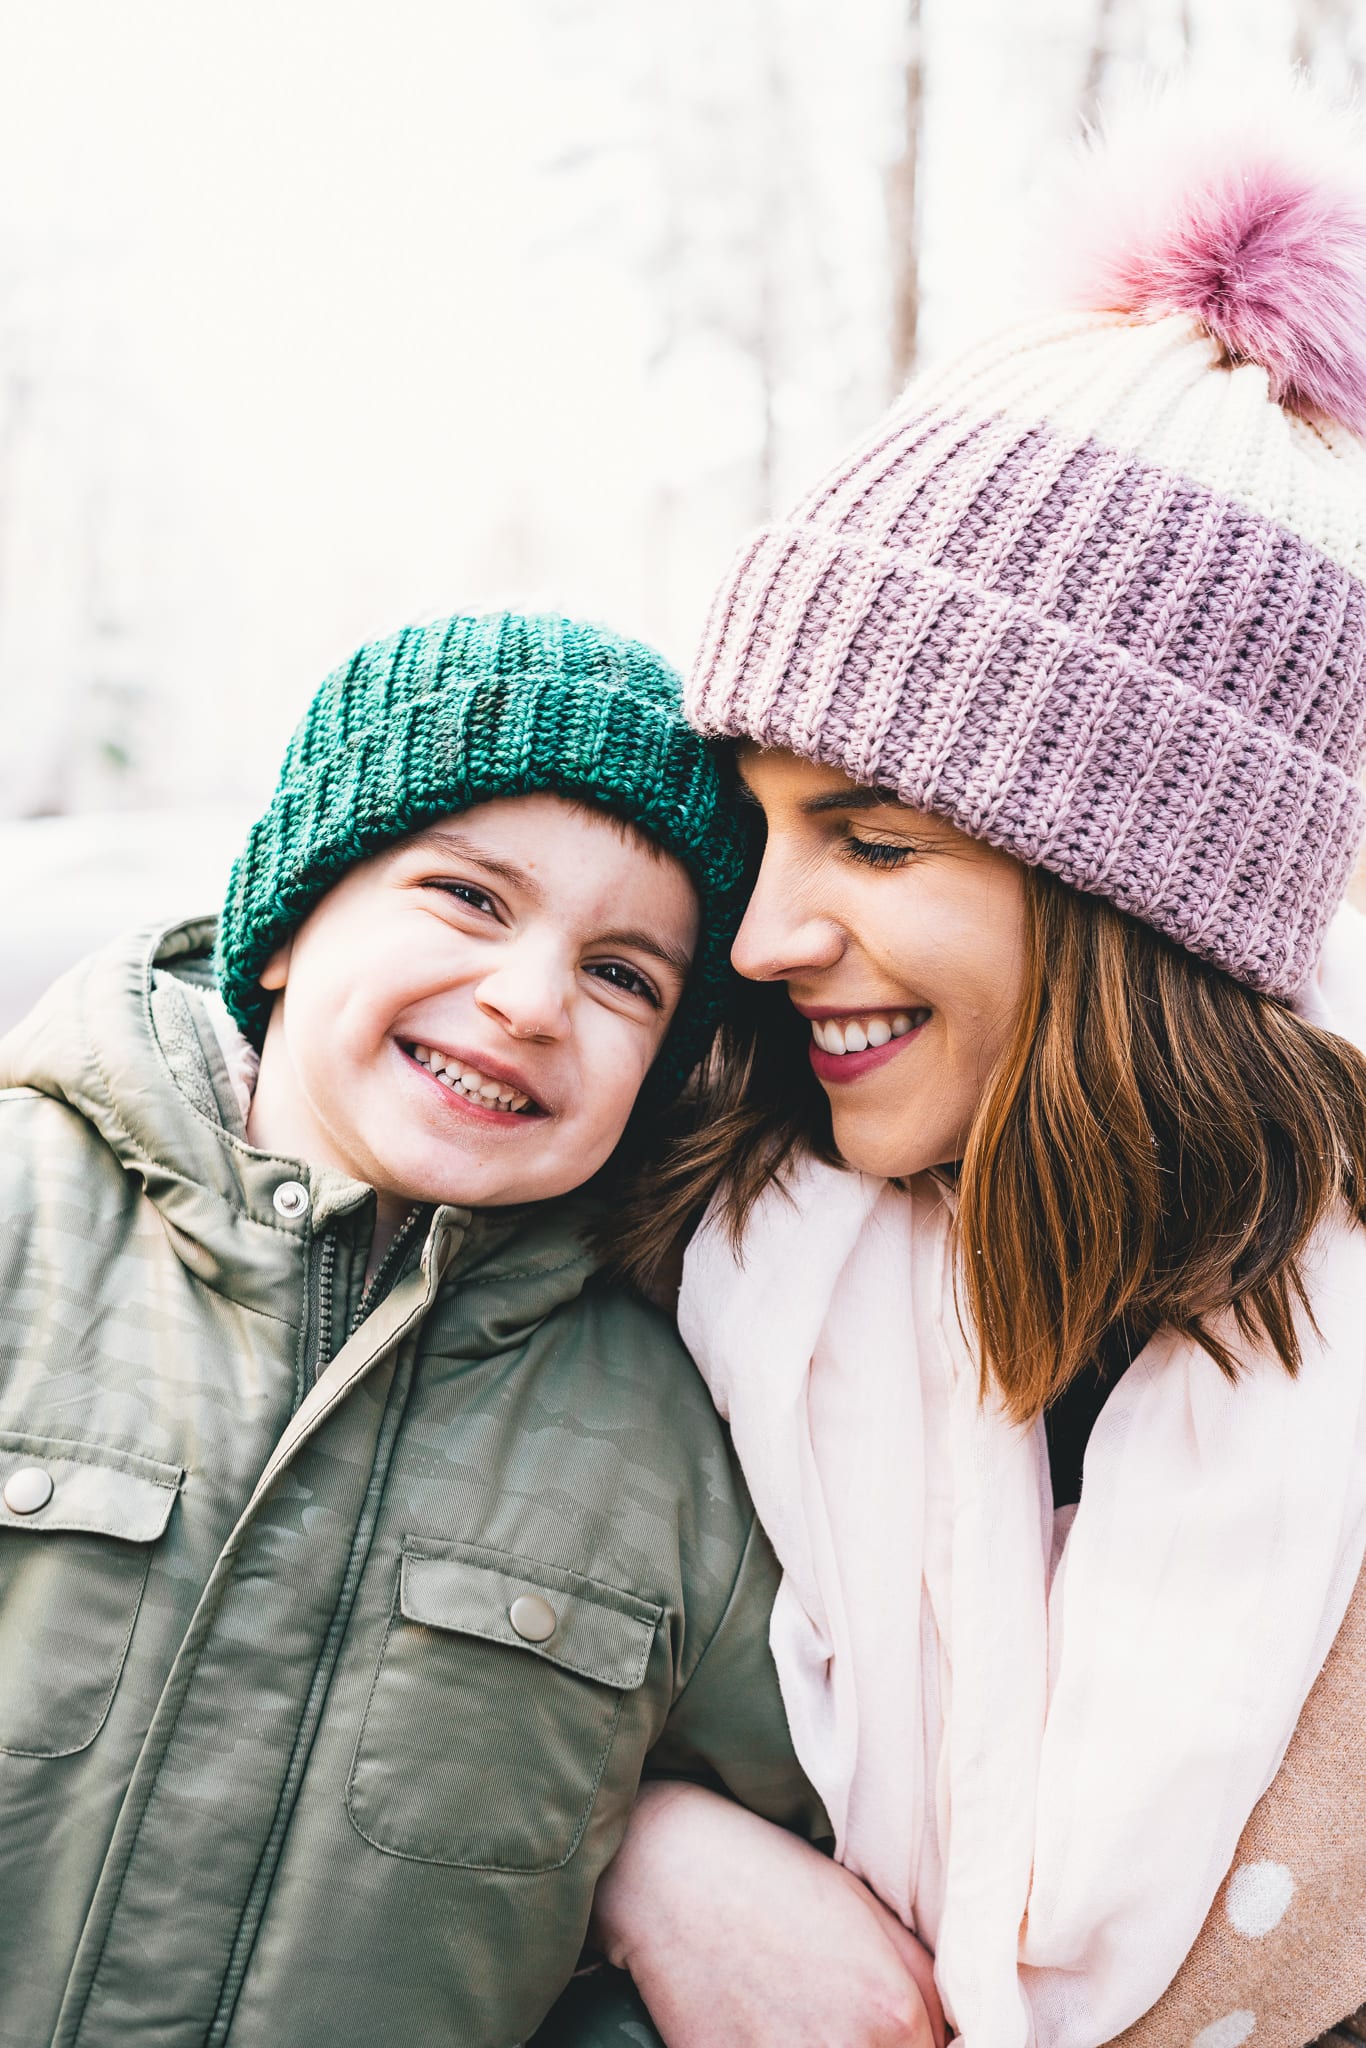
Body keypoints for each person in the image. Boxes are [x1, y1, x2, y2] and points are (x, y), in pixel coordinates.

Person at [575, 83, 1366, 2048]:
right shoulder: (693, 1276)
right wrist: (634, 1839)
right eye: (760, 828)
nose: (757, 937)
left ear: (1146, 890)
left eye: (874, 834)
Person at [0, 610, 843, 2048]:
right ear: (286, 927)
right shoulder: (25, 1218)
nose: (526, 1001)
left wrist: (653, 1852)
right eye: (466, 897)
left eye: (622, 975)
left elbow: (792, 1881)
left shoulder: (681, 1429)